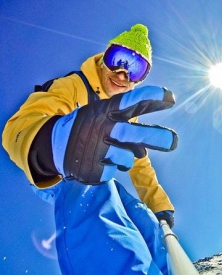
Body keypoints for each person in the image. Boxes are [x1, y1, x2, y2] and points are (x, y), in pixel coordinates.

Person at [2, 24, 178, 275]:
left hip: (99, 169)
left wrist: (159, 206)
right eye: (118, 59)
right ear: (104, 58)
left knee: (144, 220)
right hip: (60, 168)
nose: (121, 74)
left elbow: (141, 165)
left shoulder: (127, 114)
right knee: (93, 190)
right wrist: (49, 143)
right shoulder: (75, 85)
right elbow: (22, 123)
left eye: (135, 69)